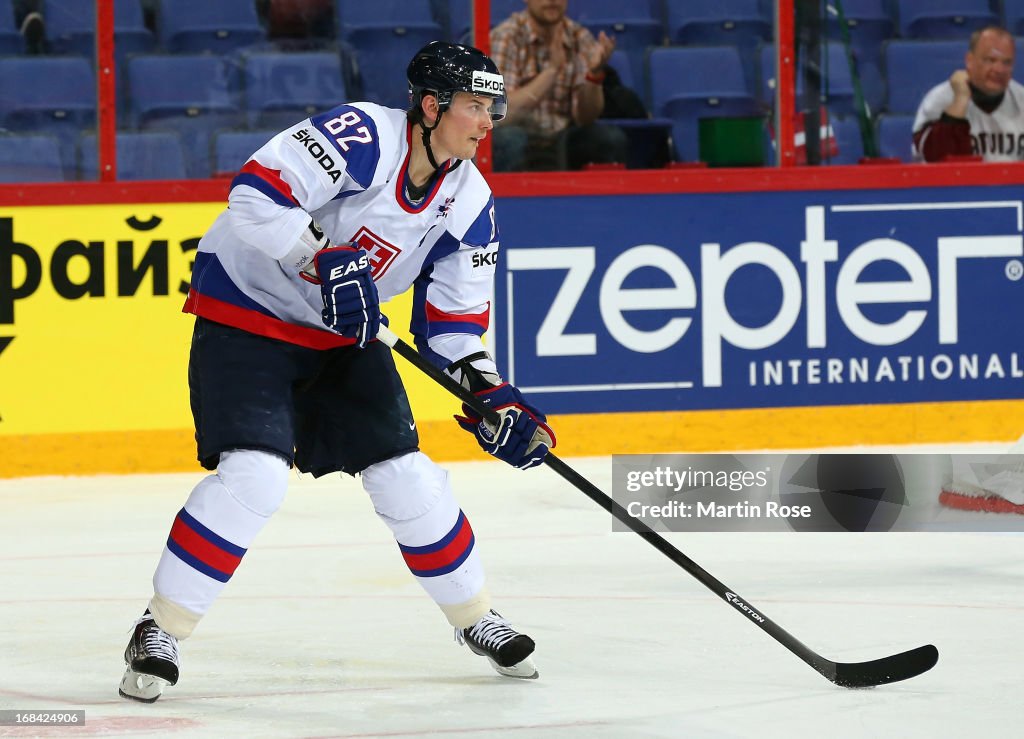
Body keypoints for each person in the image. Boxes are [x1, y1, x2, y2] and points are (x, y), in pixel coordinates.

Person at [118, 40, 556, 703]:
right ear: (432, 106)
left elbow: (456, 327)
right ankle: (160, 628)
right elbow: (254, 194)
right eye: (474, 106)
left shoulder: (469, 201)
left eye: (492, 109)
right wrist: (317, 256)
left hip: (344, 335)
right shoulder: (362, 137)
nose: (487, 122)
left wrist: (490, 394)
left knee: (407, 475)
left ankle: (476, 617)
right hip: (249, 314)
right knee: (255, 476)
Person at [489, 0, 629, 171]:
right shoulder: (506, 36)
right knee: (509, 140)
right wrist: (552, 71)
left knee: (610, 138)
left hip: (564, 136)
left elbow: (585, 118)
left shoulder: (579, 37)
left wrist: (593, 76)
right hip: (516, 132)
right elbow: (502, 113)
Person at [913, 26, 1024, 162]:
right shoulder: (939, 99)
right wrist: (960, 101)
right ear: (969, 60)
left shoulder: (1021, 99)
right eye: (990, 60)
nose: (999, 69)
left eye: (1007, 62)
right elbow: (934, 160)